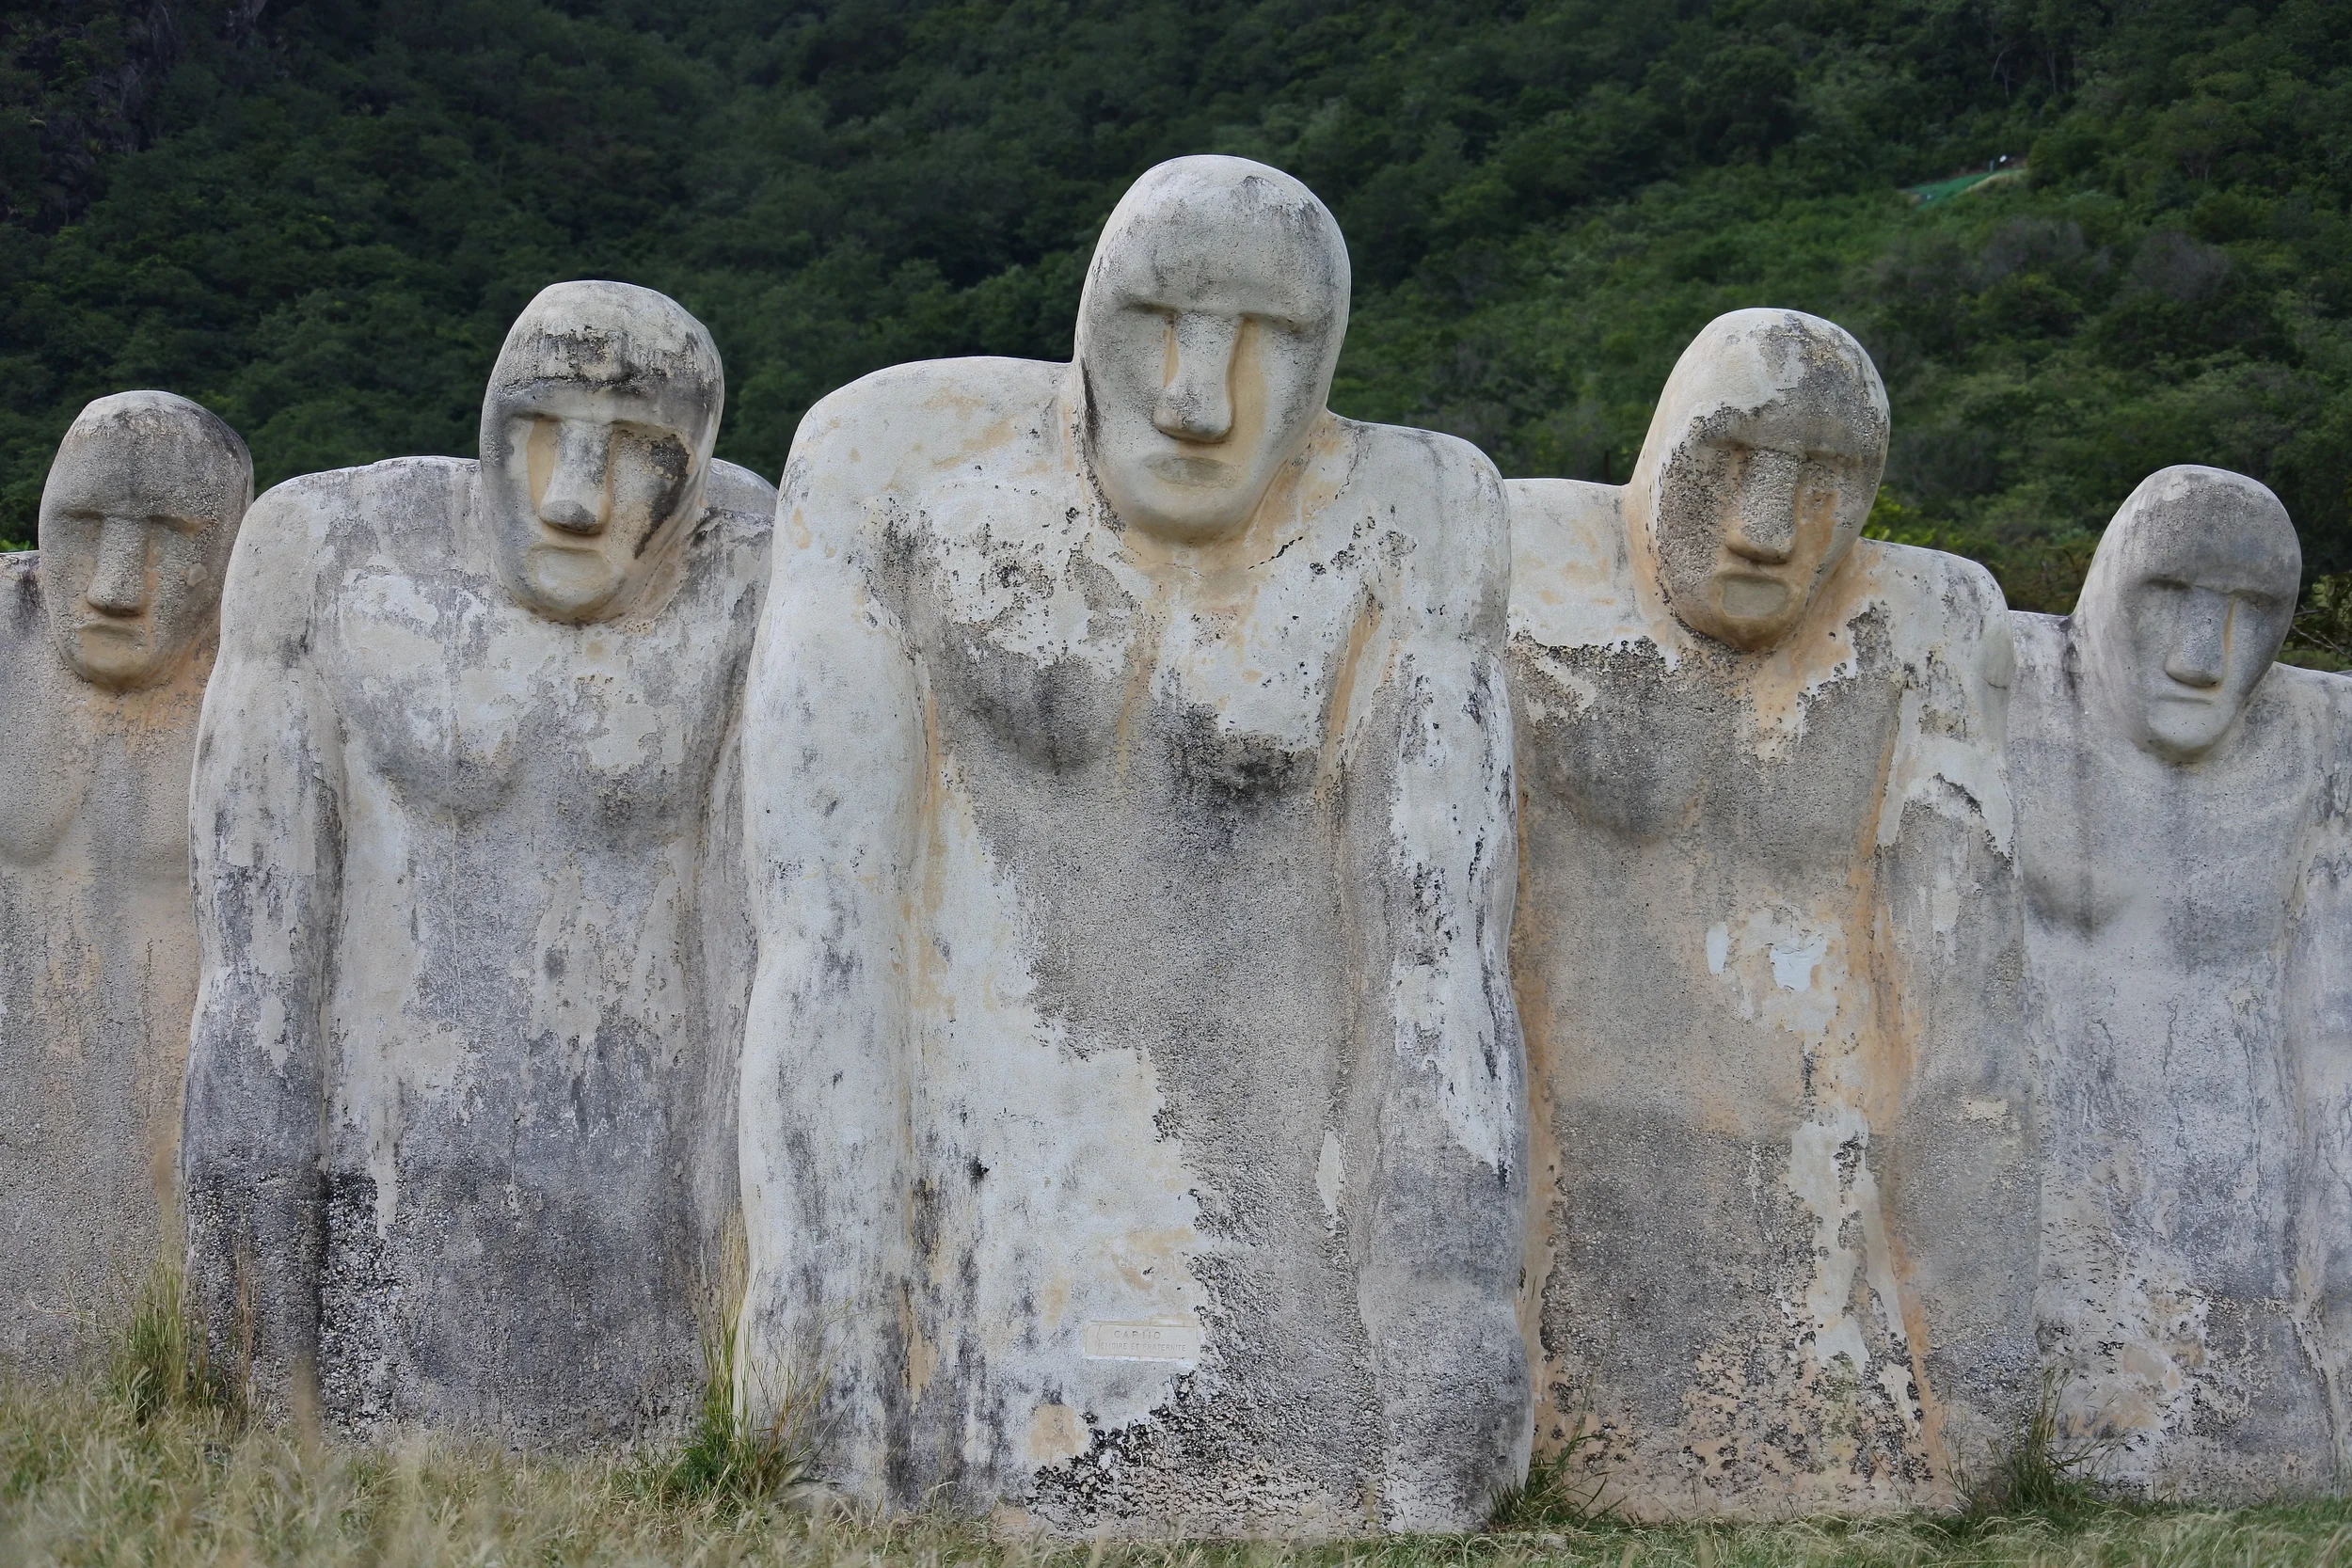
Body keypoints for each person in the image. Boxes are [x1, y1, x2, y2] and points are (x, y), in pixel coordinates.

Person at [739, 155, 1526, 1535]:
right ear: (1090, 312)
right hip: (976, 1272)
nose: (1194, 398)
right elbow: (826, 942)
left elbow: (1439, 962)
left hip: (1288, 1309)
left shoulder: (1421, 515)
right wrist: (826, 1405)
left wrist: (1443, 1414)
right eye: (1154, 319)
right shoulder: (889, 464)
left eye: (1267, 337)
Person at [181, 280, 771, 1444]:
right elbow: (256, 979)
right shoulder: (333, 552)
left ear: (696, 467)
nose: (573, 497)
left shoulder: (756, 579)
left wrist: (753, 1389)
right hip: (380, 1224)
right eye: (539, 427)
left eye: (639, 448)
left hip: (646, 1266)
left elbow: (769, 975)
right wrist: (251, 1380)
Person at [1507, 308, 2035, 1516]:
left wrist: (1982, 1382)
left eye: (1824, 481)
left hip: (1824, 1256)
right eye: (1731, 461)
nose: (1763, 527)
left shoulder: (1922, 630)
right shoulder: (1516, 565)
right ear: (1664, 449)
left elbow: (1968, 1034)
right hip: (1568, 1226)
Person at [2013, 466, 2352, 1497]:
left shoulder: (2318, 740)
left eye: (2253, 610)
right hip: (2026, 1240)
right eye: (2167, 596)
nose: (2201, 658)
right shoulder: (1996, 680)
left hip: (2243, 1269)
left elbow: (2334, 1031)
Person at [0, 391, 249, 1375]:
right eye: (82, 525)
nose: (112, 586)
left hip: (165, 1169)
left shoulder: (263, 686)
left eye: (168, 540)